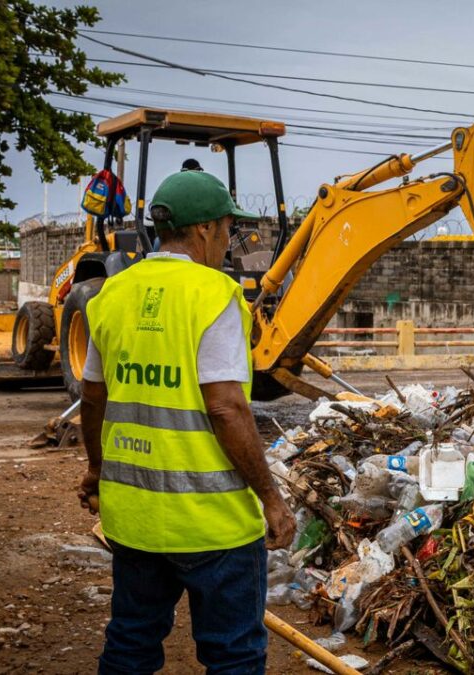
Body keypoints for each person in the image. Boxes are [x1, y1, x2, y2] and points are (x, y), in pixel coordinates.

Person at [78, 171, 296, 674]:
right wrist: (271, 499)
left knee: (130, 644)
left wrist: (97, 470)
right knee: (233, 654)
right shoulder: (215, 294)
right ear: (204, 230)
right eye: (226, 229)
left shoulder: (112, 293)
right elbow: (225, 407)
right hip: (212, 525)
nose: (227, 241)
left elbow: (94, 396)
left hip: (135, 519)